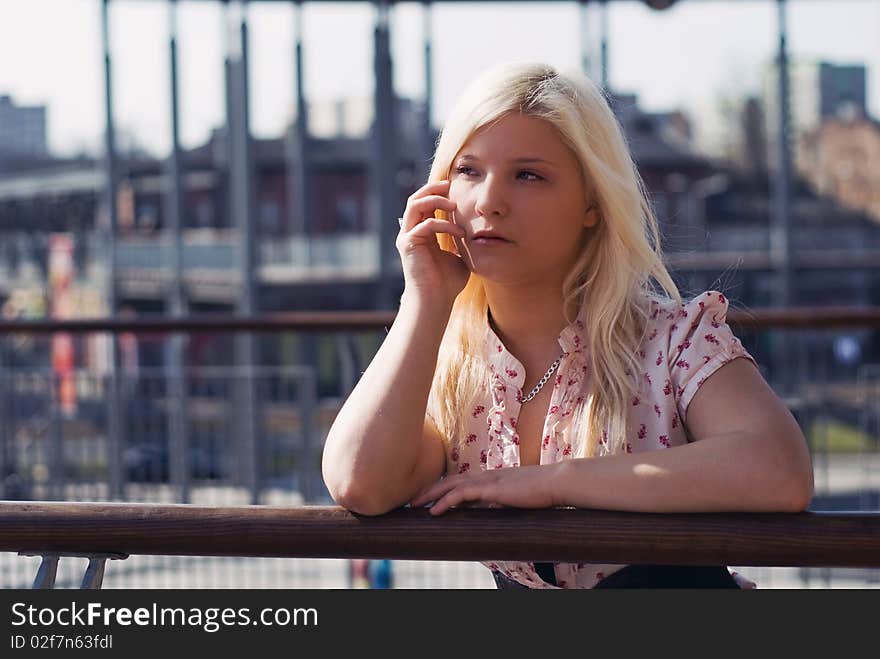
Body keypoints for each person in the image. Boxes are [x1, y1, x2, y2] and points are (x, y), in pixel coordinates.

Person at [321, 61, 814, 589]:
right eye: (468, 170)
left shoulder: (674, 339)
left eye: (528, 175)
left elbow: (780, 471)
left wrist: (556, 483)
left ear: (593, 205)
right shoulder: (448, 365)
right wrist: (423, 298)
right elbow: (359, 482)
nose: (489, 200)